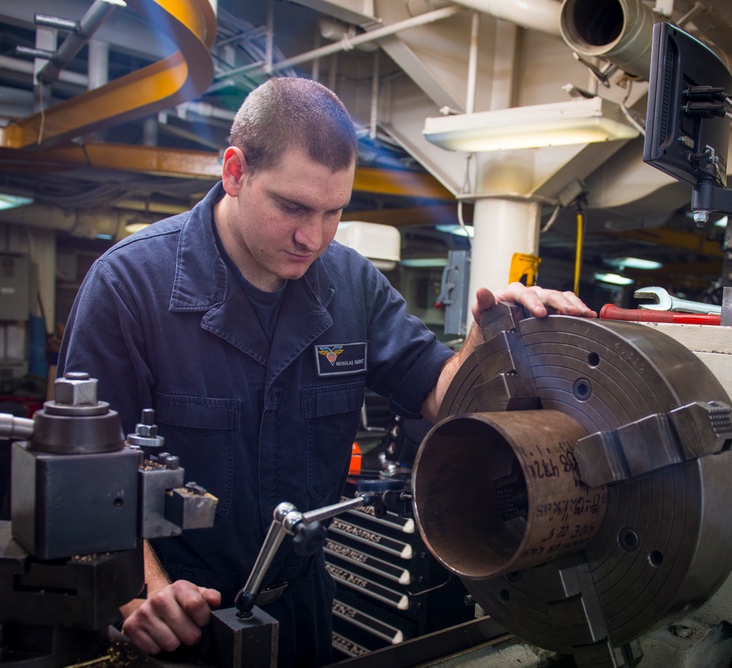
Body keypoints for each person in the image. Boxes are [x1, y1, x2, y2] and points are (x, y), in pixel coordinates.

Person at [58, 77, 594, 666]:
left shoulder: (351, 285)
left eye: (333, 212)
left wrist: (486, 343)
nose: (312, 237)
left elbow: (441, 396)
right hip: (181, 623)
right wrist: (146, 592)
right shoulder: (129, 289)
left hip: (303, 609)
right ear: (234, 172)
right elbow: (87, 480)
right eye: (292, 207)